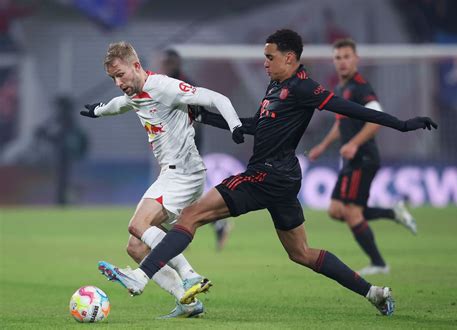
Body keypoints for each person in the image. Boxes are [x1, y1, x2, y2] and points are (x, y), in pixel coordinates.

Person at [98, 29, 437, 316]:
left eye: (270, 57)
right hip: (283, 178)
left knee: (192, 214)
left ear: (290, 58)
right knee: (301, 253)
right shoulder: (275, 87)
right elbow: (257, 126)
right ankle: (374, 292)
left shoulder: (305, 88)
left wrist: (403, 125)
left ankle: (144, 277)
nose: (265, 62)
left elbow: (349, 108)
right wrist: (204, 117)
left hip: (267, 174)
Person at [80, 41, 243, 318]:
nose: (118, 82)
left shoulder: (164, 86)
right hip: (172, 173)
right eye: (112, 78)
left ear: (136, 66)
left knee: (137, 224)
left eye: (120, 74)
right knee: (135, 246)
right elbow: (122, 104)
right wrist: (99, 111)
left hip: (185, 173)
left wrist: (235, 125)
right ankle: (188, 302)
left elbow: (218, 99)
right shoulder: (135, 92)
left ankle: (190, 275)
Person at [307, 38, 417, 276]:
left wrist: (355, 143)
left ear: (356, 59)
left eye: (347, 57)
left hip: (363, 157)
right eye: (338, 58)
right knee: (336, 210)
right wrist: (323, 145)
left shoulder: (360, 87)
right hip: (351, 159)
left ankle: (378, 263)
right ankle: (392, 212)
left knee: (351, 212)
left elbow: (377, 118)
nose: (343, 62)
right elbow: (341, 122)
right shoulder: (340, 88)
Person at [159, 48, 233, 251]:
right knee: (181, 191)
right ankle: (214, 224)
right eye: (164, 62)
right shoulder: (162, 84)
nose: (165, 66)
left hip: (186, 146)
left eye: (168, 62)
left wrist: (184, 141)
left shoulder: (186, 84)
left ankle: (179, 235)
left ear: (176, 63)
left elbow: (199, 116)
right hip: (169, 146)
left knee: (176, 188)